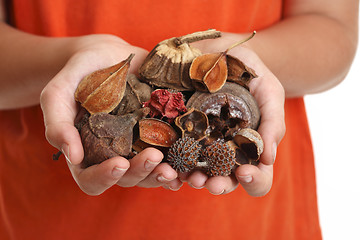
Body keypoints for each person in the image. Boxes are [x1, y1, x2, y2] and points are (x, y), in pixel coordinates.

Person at [0, 0, 357, 239]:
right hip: (48, 217)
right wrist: (67, 60)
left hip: (254, 224)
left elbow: (333, 29)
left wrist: (239, 60)